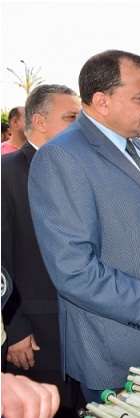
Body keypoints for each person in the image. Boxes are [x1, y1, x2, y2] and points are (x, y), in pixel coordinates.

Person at [28, 50, 140, 403]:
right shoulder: (61, 156)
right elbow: (74, 272)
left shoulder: (135, 146)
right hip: (116, 356)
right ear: (102, 101)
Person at [2, 84, 84, 416]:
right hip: (36, 338)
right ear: (40, 121)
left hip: (84, 333)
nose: (81, 126)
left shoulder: (81, 172)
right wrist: (14, 329)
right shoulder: (6, 174)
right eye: (71, 118)